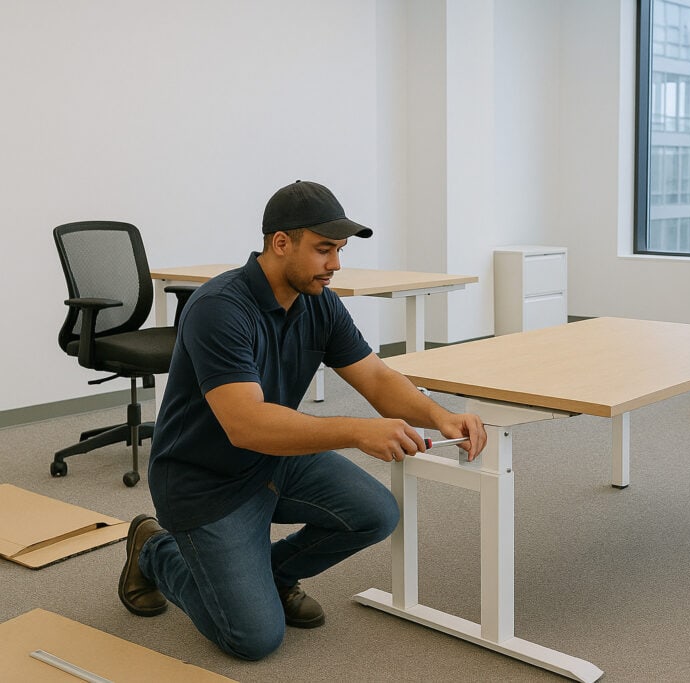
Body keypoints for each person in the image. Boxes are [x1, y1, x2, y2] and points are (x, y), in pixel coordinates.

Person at [118, 180, 487, 661]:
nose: (335, 264)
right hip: (203, 480)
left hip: (274, 459)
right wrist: (356, 431)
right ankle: (154, 550)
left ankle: (271, 575)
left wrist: (442, 416)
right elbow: (246, 425)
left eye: (339, 250)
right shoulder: (219, 309)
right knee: (252, 639)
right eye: (324, 250)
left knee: (375, 512)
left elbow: (375, 377)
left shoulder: (319, 301)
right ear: (280, 243)